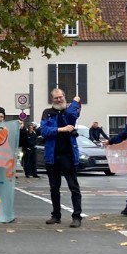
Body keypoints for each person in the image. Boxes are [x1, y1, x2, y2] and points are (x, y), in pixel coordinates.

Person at [39, 88, 83, 226]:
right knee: (54, 187)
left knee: (73, 187)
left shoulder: (69, 112)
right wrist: (61, 129)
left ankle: (77, 217)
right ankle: (56, 215)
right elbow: (44, 131)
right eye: (56, 98)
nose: (59, 100)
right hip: (52, 156)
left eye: (61, 97)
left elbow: (72, 115)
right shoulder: (47, 113)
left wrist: (75, 101)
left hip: (68, 155)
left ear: (65, 97)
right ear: (52, 99)